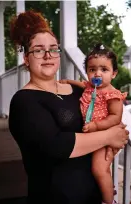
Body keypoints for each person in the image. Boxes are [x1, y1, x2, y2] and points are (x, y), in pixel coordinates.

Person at [8, 10, 129, 204]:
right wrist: (108, 136)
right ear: (26, 59)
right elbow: (55, 145)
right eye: (38, 50)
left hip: (94, 195)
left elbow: (106, 114)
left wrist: (113, 141)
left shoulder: (78, 90)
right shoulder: (24, 101)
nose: (48, 55)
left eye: (53, 49)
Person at [60, 43, 127, 204]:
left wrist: (97, 126)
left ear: (114, 73)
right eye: (92, 70)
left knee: (99, 170)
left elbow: (115, 117)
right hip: (93, 135)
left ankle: (109, 201)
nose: (97, 73)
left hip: (104, 137)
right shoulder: (91, 87)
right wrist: (68, 81)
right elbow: (82, 84)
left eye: (104, 70)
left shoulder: (112, 94)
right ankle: (106, 192)